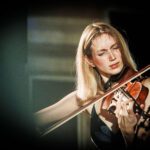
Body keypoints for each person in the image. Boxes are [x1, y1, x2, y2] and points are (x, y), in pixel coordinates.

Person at [34, 22, 150, 150]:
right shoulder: (88, 98)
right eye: (102, 53)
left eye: (115, 47)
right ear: (90, 60)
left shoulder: (146, 86)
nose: (112, 57)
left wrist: (128, 133)